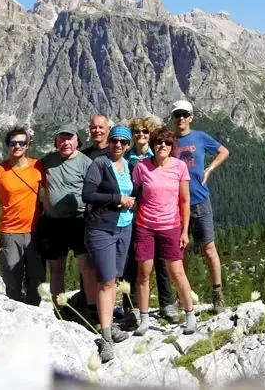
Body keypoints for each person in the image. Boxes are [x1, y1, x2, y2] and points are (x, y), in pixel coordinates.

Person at [131, 127, 197, 336]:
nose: (163, 146)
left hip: (171, 227)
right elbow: (133, 193)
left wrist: (185, 231)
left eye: (167, 143)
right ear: (152, 145)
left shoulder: (180, 167)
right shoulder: (141, 167)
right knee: (144, 273)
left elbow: (185, 200)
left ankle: (190, 315)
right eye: (159, 142)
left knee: (177, 272)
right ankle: (143, 319)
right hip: (145, 227)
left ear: (172, 147)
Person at [82, 124, 136, 362]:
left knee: (113, 279)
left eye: (123, 142)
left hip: (124, 227)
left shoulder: (129, 166)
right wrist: (118, 199)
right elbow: (88, 194)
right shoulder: (100, 164)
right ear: (109, 142)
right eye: (114, 140)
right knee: (105, 282)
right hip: (102, 228)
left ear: (127, 146)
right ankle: (105, 337)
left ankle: (109, 324)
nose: (117, 145)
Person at [170, 99, 230, 313]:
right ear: (173, 118)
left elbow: (224, 151)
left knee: (209, 249)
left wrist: (210, 169)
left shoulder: (201, 137)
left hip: (200, 201)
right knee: (180, 252)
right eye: (177, 115)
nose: (181, 118)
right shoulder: (168, 141)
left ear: (191, 117)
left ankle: (217, 294)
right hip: (176, 206)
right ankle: (181, 297)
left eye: (185, 114)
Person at [38, 124, 101, 323]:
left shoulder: (86, 162)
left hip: (79, 221)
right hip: (53, 222)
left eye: (69, 138)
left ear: (77, 141)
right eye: (61, 139)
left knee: (86, 267)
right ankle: (59, 310)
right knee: (56, 268)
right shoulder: (47, 161)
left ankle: (92, 309)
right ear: (56, 142)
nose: (65, 142)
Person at [121, 116, 179, 326]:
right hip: (131, 216)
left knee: (161, 262)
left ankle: (166, 303)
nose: (141, 135)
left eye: (145, 132)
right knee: (134, 262)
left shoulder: (158, 156)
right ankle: (131, 306)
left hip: (157, 217)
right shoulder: (126, 157)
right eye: (137, 132)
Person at [0, 127, 45, 305]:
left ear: (27, 145)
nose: (17, 146)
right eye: (13, 143)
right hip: (9, 232)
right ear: (8, 146)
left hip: (35, 232)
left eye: (21, 143)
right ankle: (14, 312)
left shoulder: (38, 166)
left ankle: (33, 315)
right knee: (11, 277)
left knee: (36, 280)